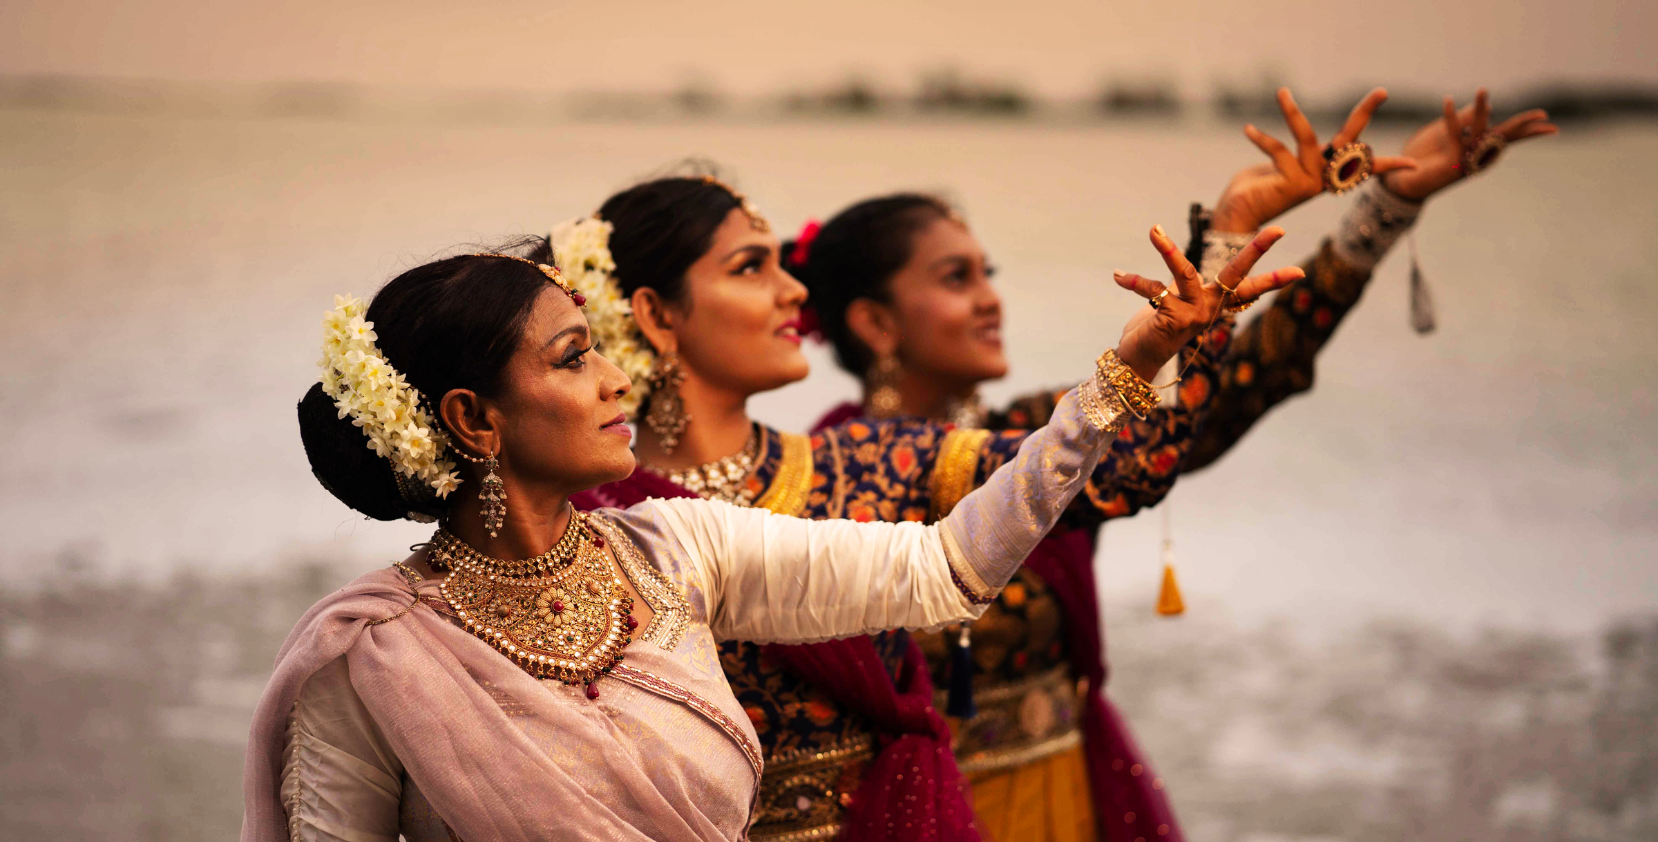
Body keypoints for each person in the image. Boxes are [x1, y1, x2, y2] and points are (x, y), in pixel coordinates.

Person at [242, 231, 1298, 841]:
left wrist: (1127, 367)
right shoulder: (372, 660)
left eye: (601, 348)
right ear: (474, 419)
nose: (614, 378)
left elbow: (943, 568)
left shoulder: (673, 551)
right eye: (571, 358)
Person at [790, 88, 1557, 842]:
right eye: (957, 278)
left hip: (1065, 798)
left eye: (989, 272)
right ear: (875, 322)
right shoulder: (822, 485)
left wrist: (1377, 210)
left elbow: (1215, 399)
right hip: (919, 820)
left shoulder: (1036, 436)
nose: (992, 299)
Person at [551, 172, 1294, 840]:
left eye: (781, 264)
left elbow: (1132, 466)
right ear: (655, 314)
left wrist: (1160, 337)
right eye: (751, 267)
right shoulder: (578, 521)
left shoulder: (869, 463)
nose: (796, 292)